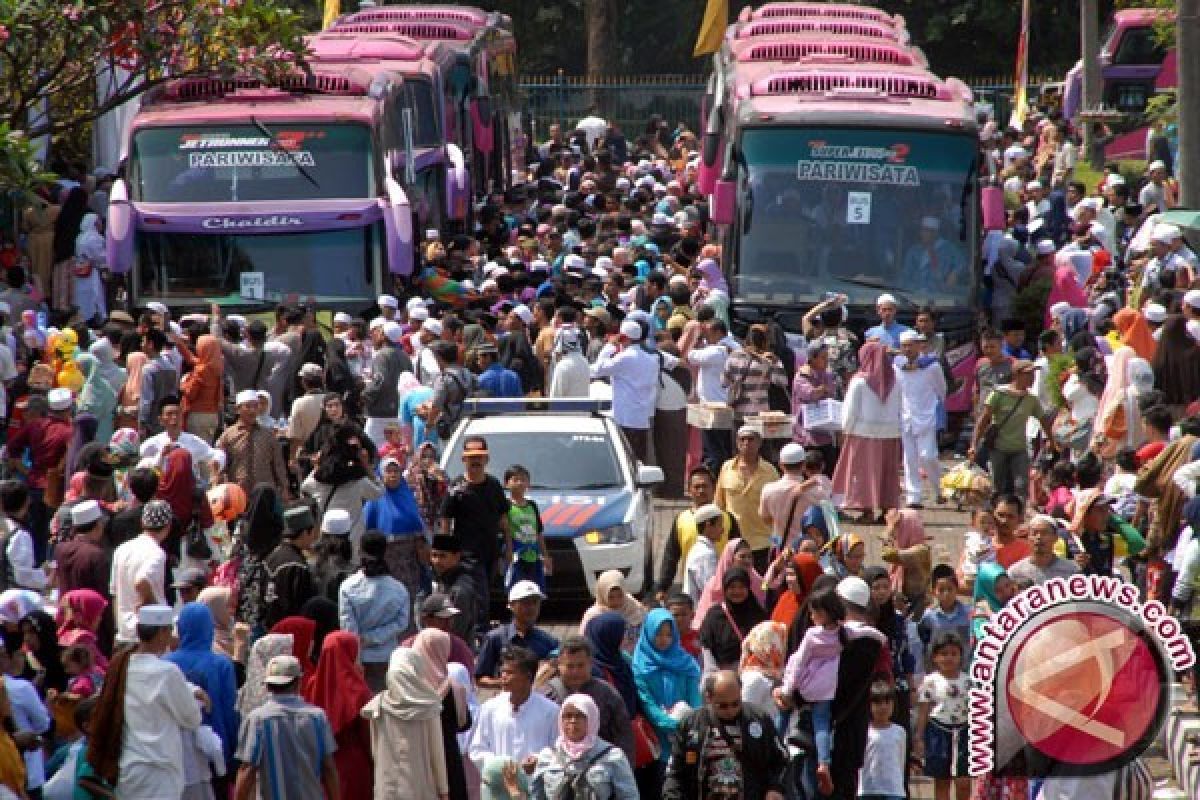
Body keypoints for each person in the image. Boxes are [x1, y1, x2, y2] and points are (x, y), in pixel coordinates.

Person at [86, 605, 205, 799]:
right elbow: (192, 719)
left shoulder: (123, 665)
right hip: (159, 773)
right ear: (161, 633)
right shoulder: (167, 672)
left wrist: (191, 690)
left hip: (129, 770)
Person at [662, 670, 788, 800]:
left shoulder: (759, 719)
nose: (730, 711)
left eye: (735, 704)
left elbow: (780, 760)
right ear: (708, 698)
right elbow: (674, 774)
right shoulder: (691, 725)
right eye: (722, 706)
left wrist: (775, 788)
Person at [235, 654, 342, 800]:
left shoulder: (258, 719)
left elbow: (247, 770)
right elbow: (328, 767)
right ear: (299, 682)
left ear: (267, 686)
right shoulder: (317, 717)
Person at [165, 602, 240, 787]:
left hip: (175, 749)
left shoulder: (165, 663)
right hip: (214, 750)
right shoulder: (221, 665)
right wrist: (234, 754)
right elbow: (230, 711)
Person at [362, 646, 451, 800]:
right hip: (420, 789)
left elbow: (375, 750)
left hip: (386, 788)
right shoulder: (428, 706)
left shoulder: (379, 705)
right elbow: (437, 753)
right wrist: (443, 789)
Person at [467, 646, 560, 783]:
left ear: (528, 676)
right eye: (502, 672)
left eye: (510, 673)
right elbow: (477, 748)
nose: (503, 677)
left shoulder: (550, 711)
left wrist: (539, 760)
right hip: (498, 786)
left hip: (535, 786)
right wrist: (499, 765)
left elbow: (557, 749)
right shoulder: (490, 708)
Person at [439, 436, 510, 616]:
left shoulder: (494, 485)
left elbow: (504, 519)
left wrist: (509, 548)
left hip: (492, 553)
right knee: (480, 598)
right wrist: (445, 554)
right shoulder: (456, 488)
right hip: (467, 555)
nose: (475, 461)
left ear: (486, 459)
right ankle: (479, 633)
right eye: (471, 457)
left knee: (486, 593)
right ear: (464, 459)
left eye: (479, 456)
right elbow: (445, 521)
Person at [541, 635, 636, 767]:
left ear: (591, 664)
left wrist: (623, 770)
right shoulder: (546, 696)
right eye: (570, 666)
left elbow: (624, 737)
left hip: (600, 771)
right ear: (559, 665)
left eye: (580, 666)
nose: (575, 672)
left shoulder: (607, 694)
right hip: (557, 769)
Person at [833, 340, 902, 523]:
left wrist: (845, 429)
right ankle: (887, 508)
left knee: (864, 473)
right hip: (890, 434)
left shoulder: (860, 381)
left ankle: (867, 509)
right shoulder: (895, 379)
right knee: (887, 473)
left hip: (863, 434)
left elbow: (850, 409)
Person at [591, 317, 675, 463]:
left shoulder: (625, 358)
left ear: (623, 337)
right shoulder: (652, 356)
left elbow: (596, 370)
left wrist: (609, 347)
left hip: (625, 419)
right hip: (643, 418)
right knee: (640, 460)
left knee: (625, 461)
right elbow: (674, 361)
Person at [631, 608, 702, 780]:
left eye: (668, 635)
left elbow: (695, 699)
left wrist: (692, 724)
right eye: (658, 634)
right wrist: (670, 724)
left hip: (686, 735)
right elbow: (647, 703)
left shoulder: (685, 662)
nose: (664, 640)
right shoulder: (640, 665)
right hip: (656, 738)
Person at [303, 631, 374, 799]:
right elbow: (368, 735)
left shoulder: (313, 682)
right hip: (354, 765)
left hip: (321, 764)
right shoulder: (358, 689)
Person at [530, 693, 639, 800]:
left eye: (580, 716)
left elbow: (629, 796)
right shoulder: (548, 756)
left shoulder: (612, 756)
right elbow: (536, 795)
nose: (573, 721)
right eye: (567, 716)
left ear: (591, 719)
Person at [338, 530, 410, 691]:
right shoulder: (399, 589)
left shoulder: (348, 587)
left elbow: (348, 628)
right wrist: (375, 637)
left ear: (359, 551)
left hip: (359, 660)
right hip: (387, 658)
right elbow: (401, 623)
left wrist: (358, 652)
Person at [654, 467, 737, 603]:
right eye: (697, 487)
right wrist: (662, 587)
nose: (701, 491)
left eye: (705, 486)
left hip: (725, 590)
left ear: (714, 488)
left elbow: (738, 553)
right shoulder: (681, 520)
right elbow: (671, 556)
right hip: (693, 593)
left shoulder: (727, 519)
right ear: (689, 490)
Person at [969, 360, 1051, 497]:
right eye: (1028, 374)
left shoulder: (1031, 399)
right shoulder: (998, 394)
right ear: (1016, 375)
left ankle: (1019, 514)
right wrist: (973, 445)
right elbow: (983, 420)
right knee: (997, 487)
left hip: (1019, 449)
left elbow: (1043, 420)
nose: (1032, 378)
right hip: (998, 448)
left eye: (1033, 374)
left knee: (1021, 486)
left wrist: (1051, 441)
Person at [409, 628, 471, 800]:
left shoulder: (410, 688)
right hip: (448, 756)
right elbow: (465, 723)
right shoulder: (452, 687)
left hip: (419, 756)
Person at [300, 425, 383, 551]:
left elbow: (305, 487)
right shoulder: (357, 479)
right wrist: (366, 466)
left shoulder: (318, 479)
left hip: (327, 540)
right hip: (353, 541)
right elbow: (379, 491)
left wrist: (317, 466)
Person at [914, 631, 970, 800]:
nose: (949, 658)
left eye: (954, 654)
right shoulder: (930, 681)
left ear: (961, 656)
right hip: (938, 732)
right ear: (935, 657)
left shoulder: (969, 681)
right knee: (942, 781)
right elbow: (923, 710)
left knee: (964, 781)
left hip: (964, 732)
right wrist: (919, 737)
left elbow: (976, 709)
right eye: (944, 654)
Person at [362, 455, 427, 601]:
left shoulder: (407, 496)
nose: (393, 475)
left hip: (409, 562)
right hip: (386, 560)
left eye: (396, 471)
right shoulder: (375, 498)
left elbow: (418, 526)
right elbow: (367, 528)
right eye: (388, 471)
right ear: (381, 474)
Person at [894, 331, 947, 509]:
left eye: (911, 345)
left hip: (926, 416)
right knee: (909, 458)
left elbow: (942, 389)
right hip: (906, 416)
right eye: (904, 346)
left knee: (928, 456)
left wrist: (936, 407)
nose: (907, 349)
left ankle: (939, 488)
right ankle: (913, 496)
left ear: (918, 345)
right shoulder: (898, 366)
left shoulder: (932, 366)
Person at [715, 427, 779, 572]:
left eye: (751, 439)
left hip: (762, 542)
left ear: (759, 443)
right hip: (734, 542)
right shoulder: (726, 468)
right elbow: (719, 504)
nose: (746, 443)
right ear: (737, 443)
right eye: (742, 439)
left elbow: (777, 508)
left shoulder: (770, 471)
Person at [109, 499, 172, 645]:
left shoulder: (122, 549)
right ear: (168, 526)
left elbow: (115, 594)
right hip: (147, 636)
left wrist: (118, 627)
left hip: (123, 633)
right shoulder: (156, 553)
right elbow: (142, 581)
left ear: (142, 523)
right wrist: (154, 606)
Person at [475, 581, 559, 687]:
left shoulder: (548, 641)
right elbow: (480, 678)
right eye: (525, 603)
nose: (531, 608)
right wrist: (505, 682)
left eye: (535, 602)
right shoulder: (495, 638)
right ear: (511, 605)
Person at [216, 390, 289, 498]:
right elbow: (220, 466)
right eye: (248, 406)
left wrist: (284, 487)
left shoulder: (268, 435)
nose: (252, 410)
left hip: (265, 494)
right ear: (238, 409)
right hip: (238, 494)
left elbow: (278, 464)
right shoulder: (227, 436)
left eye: (255, 406)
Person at [1056, 489, 1145, 577]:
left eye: (1107, 510)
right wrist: (1071, 565)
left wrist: (1115, 520)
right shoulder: (1062, 539)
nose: (1106, 515)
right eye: (1100, 510)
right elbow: (1048, 567)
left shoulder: (1105, 540)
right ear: (1084, 513)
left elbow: (1138, 544)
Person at [698, 566, 767, 673]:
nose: (737, 591)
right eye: (732, 587)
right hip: (723, 677)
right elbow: (706, 647)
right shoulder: (715, 615)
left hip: (754, 675)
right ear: (725, 589)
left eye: (741, 587)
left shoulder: (758, 614)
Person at [261, 504, 319, 630]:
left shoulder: (270, 557)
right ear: (304, 532)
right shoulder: (297, 566)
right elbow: (301, 606)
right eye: (312, 532)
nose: (313, 537)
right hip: (290, 633)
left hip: (270, 630)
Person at [363, 321, 413, 447]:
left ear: (384, 336)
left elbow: (379, 381)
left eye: (378, 332)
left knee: (372, 449)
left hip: (379, 415)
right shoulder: (405, 356)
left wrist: (364, 395)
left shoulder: (382, 355)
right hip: (399, 413)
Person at [503, 464, 549, 592]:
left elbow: (539, 532)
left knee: (536, 589)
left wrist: (545, 555)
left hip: (534, 555)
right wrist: (509, 551)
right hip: (517, 555)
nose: (520, 483)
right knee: (516, 589)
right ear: (507, 483)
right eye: (515, 480)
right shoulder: (506, 505)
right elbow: (506, 530)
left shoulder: (532, 506)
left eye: (523, 479)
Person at [858, 680, 907, 800]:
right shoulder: (864, 731)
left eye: (887, 702)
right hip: (868, 789)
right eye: (877, 703)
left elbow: (901, 761)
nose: (883, 707)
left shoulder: (899, 731)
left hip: (894, 790)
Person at [429, 534, 481, 646]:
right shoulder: (440, 580)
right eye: (434, 555)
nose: (437, 561)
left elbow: (458, 630)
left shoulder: (460, 589)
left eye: (443, 556)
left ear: (456, 557)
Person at [1008, 515, 1080, 588]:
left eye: (1044, 533)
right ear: (1028, 537)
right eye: (1034, 533)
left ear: (1056, 538)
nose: (1039, 537)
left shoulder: (1072, 569)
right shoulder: (1015, 572)